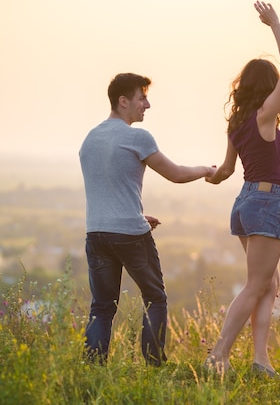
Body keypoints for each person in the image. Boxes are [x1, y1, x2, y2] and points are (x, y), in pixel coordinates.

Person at [79, 73, 215, 365]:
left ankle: (91, 369)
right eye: (142, 98)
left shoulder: (90, 138)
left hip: (96, 233)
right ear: (123, 101)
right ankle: (155, 365)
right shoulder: (137, 137)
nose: (148, 104)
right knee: (155, 298)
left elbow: (108, 187)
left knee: (101, 307)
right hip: (129, 235)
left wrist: (136, 214)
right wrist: (206, 169)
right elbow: (176, 174)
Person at [203, 0, 280, 378]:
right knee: (257, 284)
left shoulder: (237, 123)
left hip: (244, 202)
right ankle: (218, 355)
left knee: (268, 285)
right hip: (265, 200)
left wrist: (205, 174)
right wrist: (274, 23)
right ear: (269, 88)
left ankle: (261, 360)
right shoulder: (264, 115)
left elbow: (225, 171)